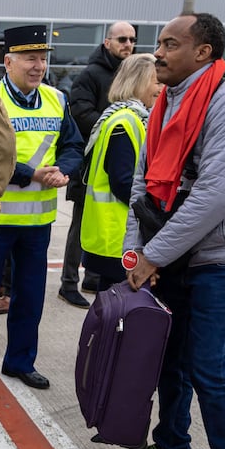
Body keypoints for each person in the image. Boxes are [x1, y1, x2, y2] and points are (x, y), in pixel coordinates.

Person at [118, 12, 225, 449]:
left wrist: (155, 253)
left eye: (170, 44)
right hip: (179, 251)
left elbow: (215, 195)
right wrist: (135, 253)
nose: (156, 53)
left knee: (207, 363)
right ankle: (172, 448)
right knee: (171, 356)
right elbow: (144, 183)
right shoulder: (167, 101)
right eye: (159, 43)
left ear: (202, 52)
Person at [0, 25, 83, 396]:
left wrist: (65, 169)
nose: (39, 65)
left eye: (43, 58)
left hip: (37, 222)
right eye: (30, 58)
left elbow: (73, 145)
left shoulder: (57, 99)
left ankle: (20, 361)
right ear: (8, 61)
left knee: (29, 297)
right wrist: (31, 174)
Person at [60, 21, 139, 307]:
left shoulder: (130, 74)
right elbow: (79, 111)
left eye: (131, 39)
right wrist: (110, 127)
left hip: (114, 161)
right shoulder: (91, 74)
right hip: (90, 164)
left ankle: (93, 277)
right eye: (122, 39)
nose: (128, 44)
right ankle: (68, 282)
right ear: (107, 42)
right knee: (80, 227)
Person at [80, 54, 161, 290]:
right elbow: (122, 182)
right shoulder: (125, 122)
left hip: (117, 233)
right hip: (118, 234)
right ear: (138, 82)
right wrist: (155, 211)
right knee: (122, 315)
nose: (160, 88)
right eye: (156, 82)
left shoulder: (127, 117)